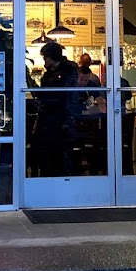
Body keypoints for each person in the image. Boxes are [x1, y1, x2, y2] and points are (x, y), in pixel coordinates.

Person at [33, 40, 80, 176]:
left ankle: (59, 179)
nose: (44, 60)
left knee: (59, 155)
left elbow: (65, 96)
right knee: (48, 154)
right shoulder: (51, 73)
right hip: (50, 120)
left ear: (52, 57)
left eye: (45, 57)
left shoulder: (67, 72)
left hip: (60, 120)